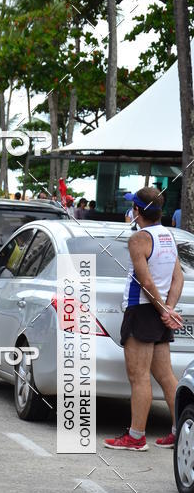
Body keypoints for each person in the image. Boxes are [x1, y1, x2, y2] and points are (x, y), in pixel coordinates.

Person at [105, 188, 183, 451]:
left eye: (133, 208)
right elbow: (177, 278)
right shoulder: (168, 236)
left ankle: (136, 437)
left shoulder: (139, 238)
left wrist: (163, 311)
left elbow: (146, 282)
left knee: (138, 376)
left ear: (136, 211)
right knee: (165, 375)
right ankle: (178, 431)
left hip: (142, 309)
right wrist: (169, 309)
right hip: (159, 311)